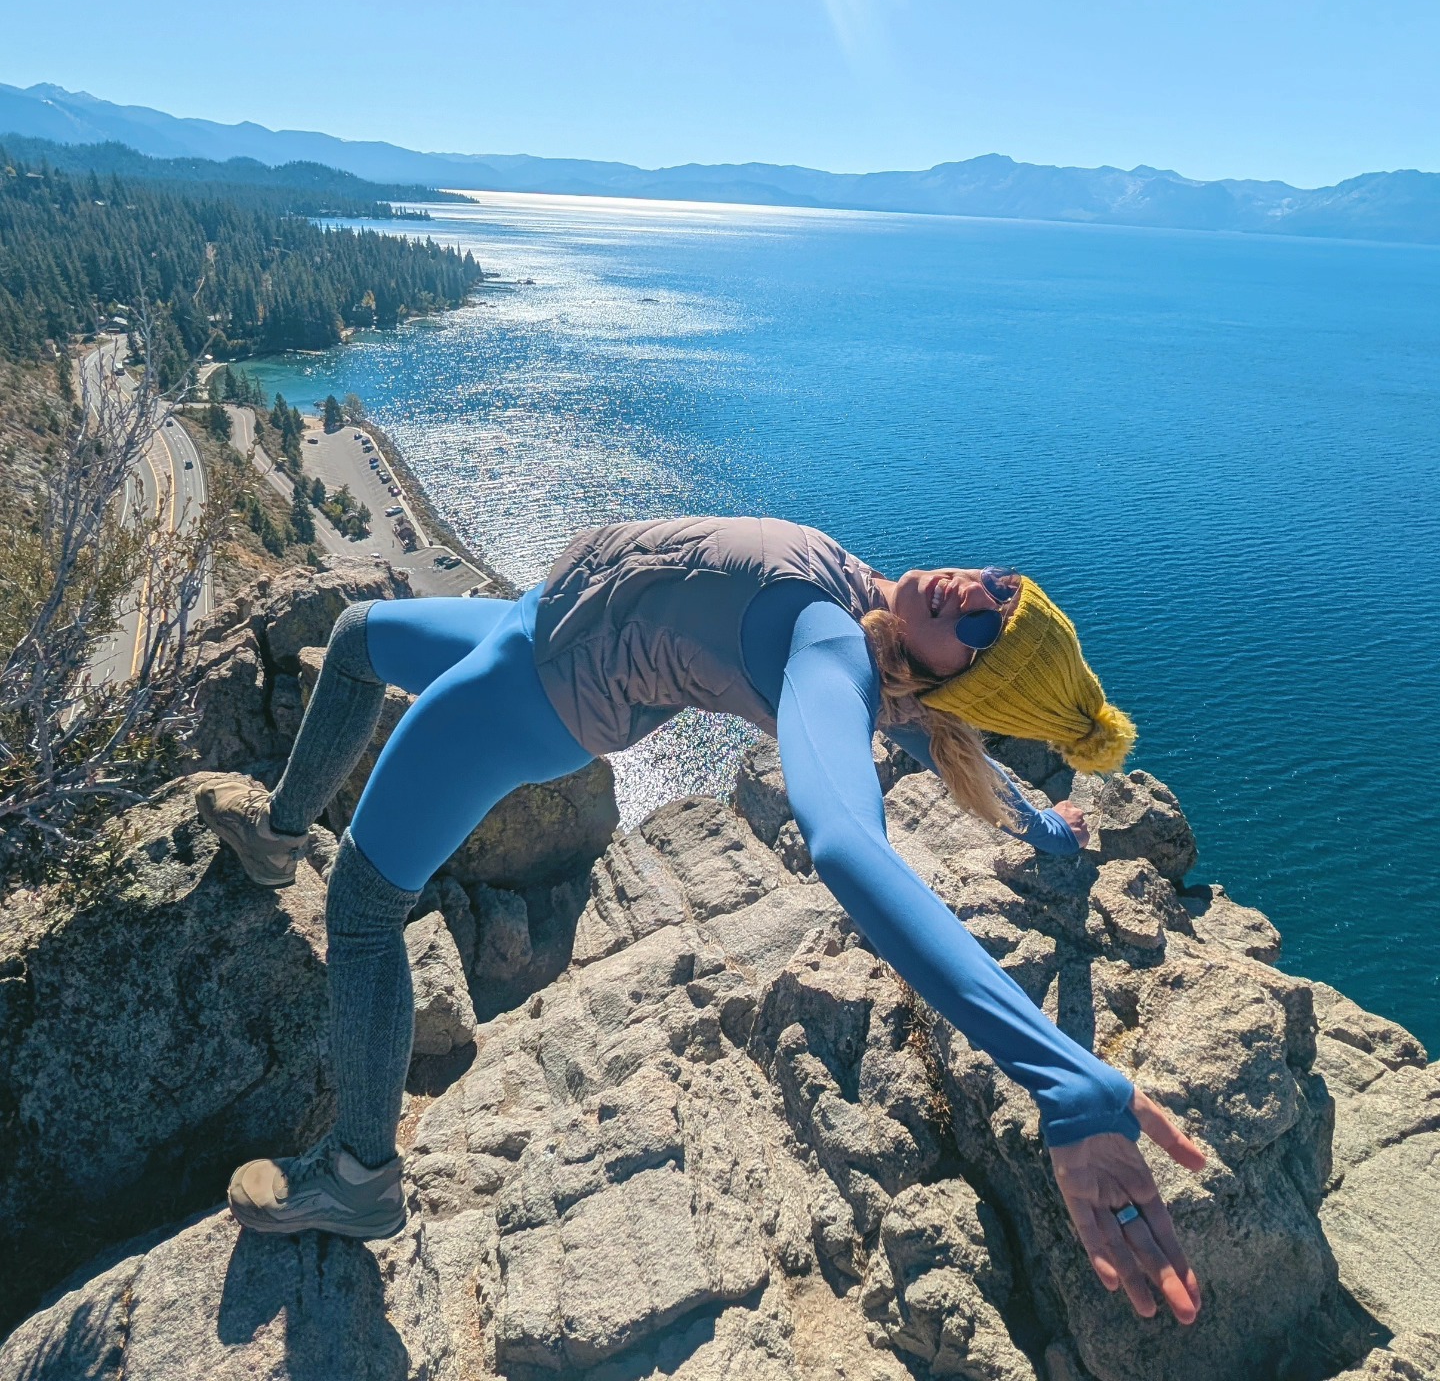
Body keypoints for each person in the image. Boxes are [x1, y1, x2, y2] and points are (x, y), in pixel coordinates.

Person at [196, 515, 1205, 1325]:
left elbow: (851, 847)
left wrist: (1065, 1082)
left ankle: (359, 1173)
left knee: (364, 911)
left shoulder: (830, 657)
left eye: (985, 627)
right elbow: (963, 741)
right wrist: (1048, 829)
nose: (971, 593)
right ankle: (282, 833)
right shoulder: (872, 612)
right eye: (1001, 585)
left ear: (961, 671)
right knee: (362, 636)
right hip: (536, 619)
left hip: (531, 693)